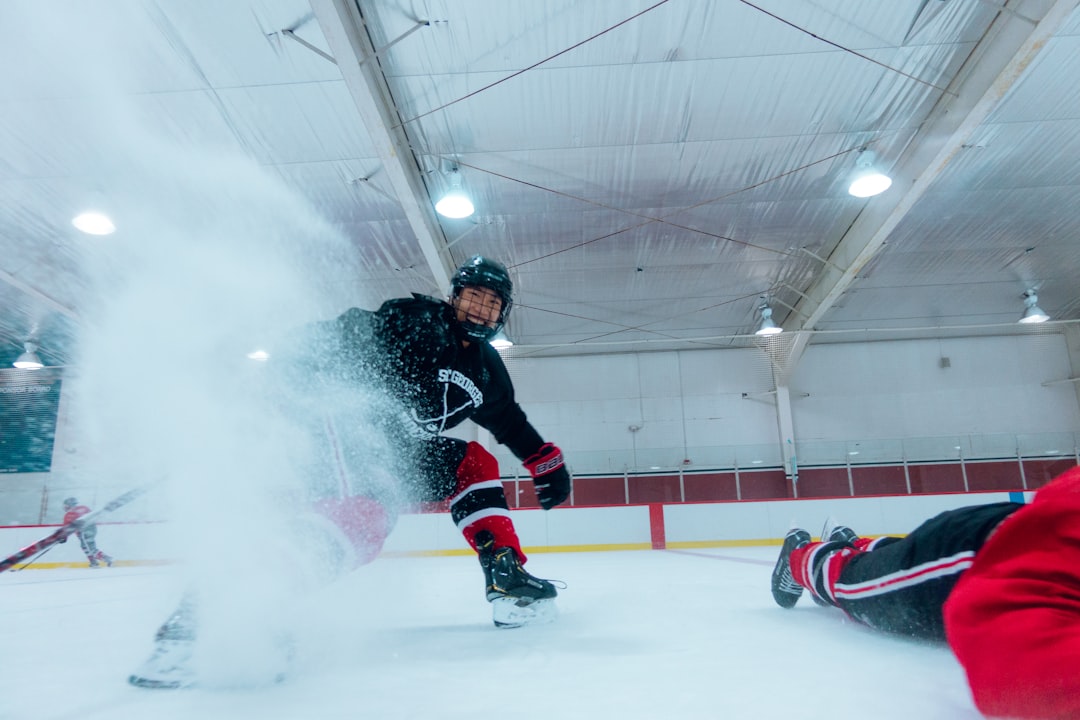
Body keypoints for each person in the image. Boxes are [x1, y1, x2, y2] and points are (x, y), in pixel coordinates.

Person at [129, 255, 574, 689]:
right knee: (361, 517)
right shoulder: (418, 320)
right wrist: (279, 376)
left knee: (472, 462)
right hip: (345, 425)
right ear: (454, 297)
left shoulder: (486, 370)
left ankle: (506, 575)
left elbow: (508, 421)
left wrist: (545, 463)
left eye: (491, 302)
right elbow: (342, 333)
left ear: (502, 313)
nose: (479, 307)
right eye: (473, 296)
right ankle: (216, 613)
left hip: (397, 451)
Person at [771, 465, 1080, 719]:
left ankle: (856, 543)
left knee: (890, 562)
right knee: (850, 582)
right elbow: (1007, 662)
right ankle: (798, 553)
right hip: (966, 555)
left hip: (1001, 532)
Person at [60, 497, 114, 568]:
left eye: (66, 505)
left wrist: (64, 537)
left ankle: (106, 559)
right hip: (92, 529)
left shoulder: (69, 515)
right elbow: (92, 516)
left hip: (82, 532)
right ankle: (94, 562)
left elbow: (66, 528)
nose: (65, 507)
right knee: (85, 546)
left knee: (89, 548)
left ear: (70, 505)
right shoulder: (83, 508)